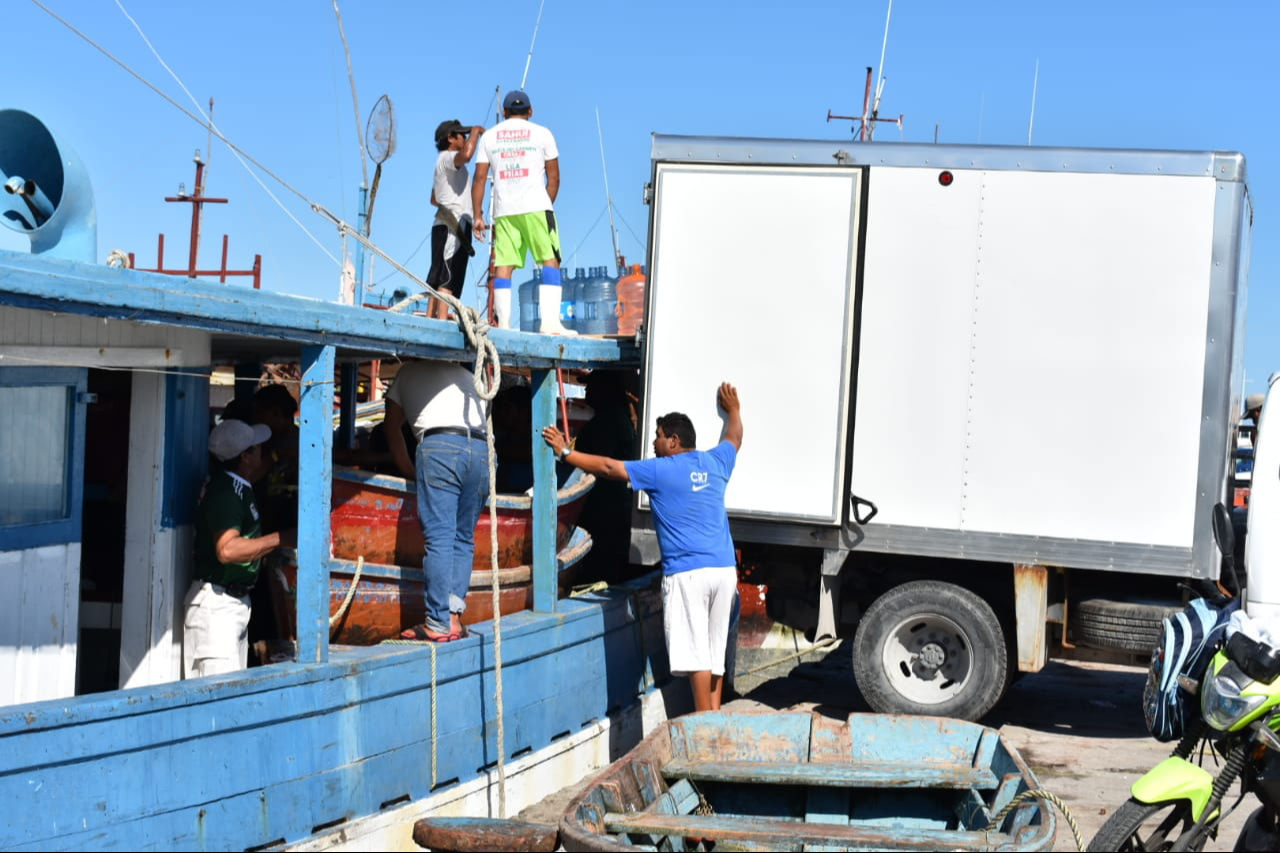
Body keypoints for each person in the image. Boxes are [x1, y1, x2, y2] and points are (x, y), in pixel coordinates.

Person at [543, 382, 742, 711]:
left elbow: (609, 467)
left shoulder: (660, 470)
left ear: (673, 442)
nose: (653, 442)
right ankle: (714, 720)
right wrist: (733, 410)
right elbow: (733, 437)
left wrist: (567, 452)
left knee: (696, 656)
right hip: (724, 572)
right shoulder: (715, 462)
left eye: (658, 436)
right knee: (714, 652)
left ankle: (704, 726)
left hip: (689, 575)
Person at [383, 359, 490, 642]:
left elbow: (392, 428)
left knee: (440, 537)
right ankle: (453, 618)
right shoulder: (467, 375)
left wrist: (407, 470)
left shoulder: (405, 372)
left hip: (441, 445)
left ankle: (438, 622)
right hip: (482, 450)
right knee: (463, 537)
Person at [184, 419, 294, 677]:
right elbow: (228, 550)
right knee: (216, 702)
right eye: (257, 448)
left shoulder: (236, 486)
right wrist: (280, 538)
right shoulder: (227, 493)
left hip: (230, 603)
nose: (262, 453)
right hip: (217, 607)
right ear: (245, 456)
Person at [471, 89, 571, 334]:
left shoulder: (490, 137)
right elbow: (554, 177)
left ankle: (503, 325)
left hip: (504, 209)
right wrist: (545, 206)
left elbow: (480, 178)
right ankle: (550, 324)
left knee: (504, 264)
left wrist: (477, 216)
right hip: (537, 205)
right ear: (530, 111)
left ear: (504, 112)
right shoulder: (543, 133)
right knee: (550, 259)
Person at [573, 370, 639, 584]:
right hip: (611, 503)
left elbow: (601, 462)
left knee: (601, 564)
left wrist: (567, 454)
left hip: (605, 505)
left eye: (591, 386)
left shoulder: (609, 421)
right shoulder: (618, 417)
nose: (586, 390)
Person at [427, 119, 483, 321]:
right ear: (451, 138)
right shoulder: (449, 158)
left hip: (450, 221)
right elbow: (467, 155)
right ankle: (440, 320)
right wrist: (476, 132)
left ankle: (431, 318)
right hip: (453, 223)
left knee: (440, 273)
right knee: (446, 276)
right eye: (463, 135)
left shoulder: (442, 164)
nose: (466, 138)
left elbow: (434, 198)